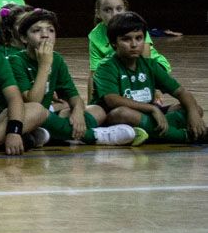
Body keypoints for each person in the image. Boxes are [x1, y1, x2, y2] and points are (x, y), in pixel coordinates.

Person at [13, 8, 143, 148]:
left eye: (51, 30)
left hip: (47, 114)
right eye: (37, 31)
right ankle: (95, 136)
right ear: (24, 38)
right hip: (24, 115)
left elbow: (74, 96)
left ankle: (53, 134)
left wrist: (78, 112)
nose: (45, 35)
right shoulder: (15, 61)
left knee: (96, 110)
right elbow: (34, 101)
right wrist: (44, 65)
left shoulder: (57, 59)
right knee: (37, 111)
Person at [94, 12, 206, 144]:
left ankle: (150, 132)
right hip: (117, 119)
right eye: (126, 39)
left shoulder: (150, 65)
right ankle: (182, 136)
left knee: (195, 108)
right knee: (122, 113)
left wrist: (193, 114)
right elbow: (112, 100)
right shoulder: (106, 67)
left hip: (146, 114)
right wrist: (152, 109)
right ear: (113, 43)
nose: (134, 44)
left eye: (139, 38)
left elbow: (181, 92)